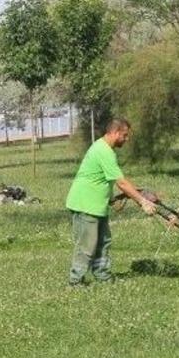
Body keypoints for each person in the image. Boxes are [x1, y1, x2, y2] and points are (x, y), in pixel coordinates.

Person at [65, 118, 156, 285]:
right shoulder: (104, 151)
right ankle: (75, 280)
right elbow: (121, 183)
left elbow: (101, 179)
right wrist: (143, 202)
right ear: (114, 133)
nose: (126, 139)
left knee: (103, 242)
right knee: (87, 245)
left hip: (97, 205)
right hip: (85, 205)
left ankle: (103, 276)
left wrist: (112, 199)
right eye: (125, 135)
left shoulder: (104, 149)